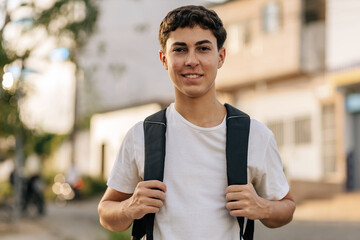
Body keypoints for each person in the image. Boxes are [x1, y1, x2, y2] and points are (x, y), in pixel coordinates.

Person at [98, 5, 296, 239]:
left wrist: (262, 207)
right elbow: (106, 212)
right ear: (164, 59)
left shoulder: (254, 134)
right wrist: (128, 207)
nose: (191, 60)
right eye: (180, 50)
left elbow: (287, 207)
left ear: (220, 57)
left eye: (203, 48)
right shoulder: (142, 135)